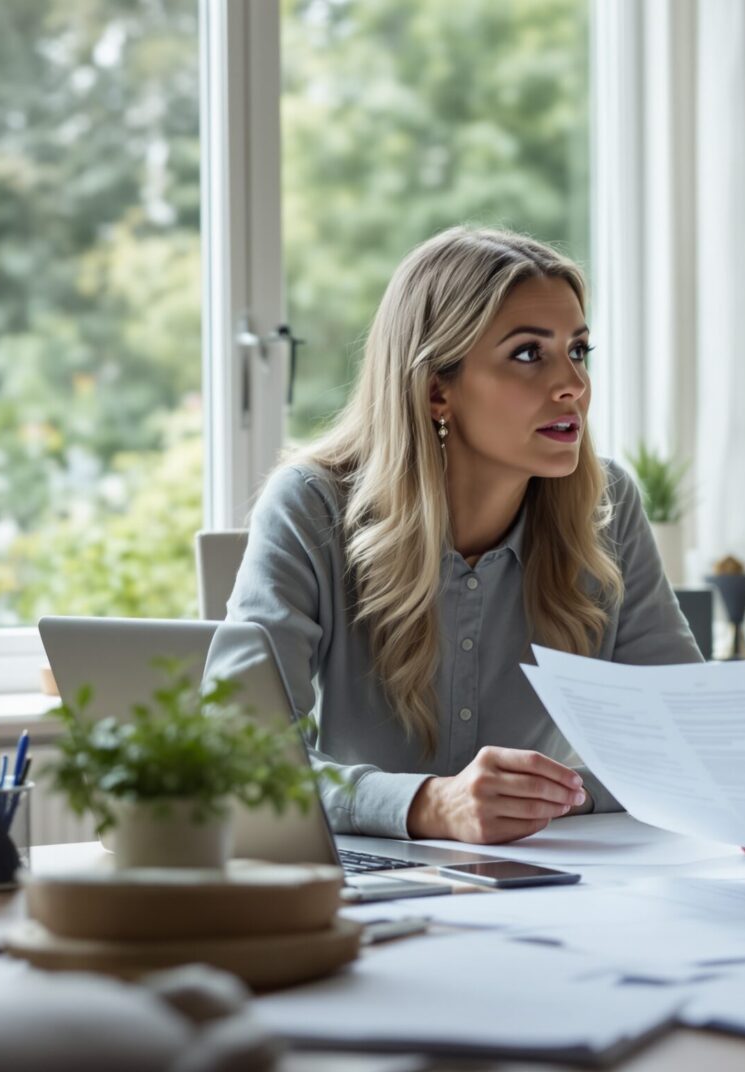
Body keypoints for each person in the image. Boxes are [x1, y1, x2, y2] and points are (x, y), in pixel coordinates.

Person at [207, 227, 700, 845]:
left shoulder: (609, 505)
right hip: (356, 881)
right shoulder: (310, 506)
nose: (572, 383)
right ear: (438, 388)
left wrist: (543, 800)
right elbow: (231, 758)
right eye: (529, 353)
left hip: (549, 882)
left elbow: (687, 743)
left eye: (578, 350)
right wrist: (424, 805)